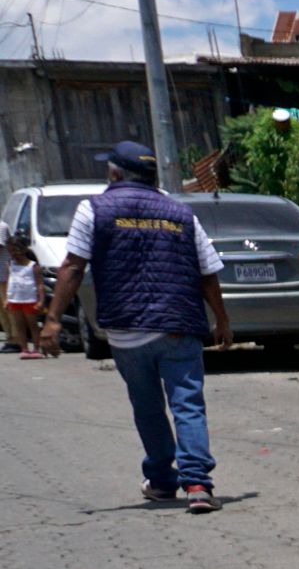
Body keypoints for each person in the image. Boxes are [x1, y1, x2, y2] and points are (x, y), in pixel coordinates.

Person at [43, 140, 232, 511]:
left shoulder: (93, 209)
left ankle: (162, 483)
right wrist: (222, 320)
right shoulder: (181, 213)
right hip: (178, 325)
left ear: (115, 173)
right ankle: (197, 486)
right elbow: (207, 272)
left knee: (147, 408)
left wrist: (52, 319)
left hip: (127, 331)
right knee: (188, 405)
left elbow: (73, 267)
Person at [6, 235, 41, 358]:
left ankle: (36, 349)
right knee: (19, 325)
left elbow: (40, 285)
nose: (12, 254)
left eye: (14, 251)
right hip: (14, 300)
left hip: (29, 300)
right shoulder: (10, 264)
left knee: (32, 325)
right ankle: (24, 348)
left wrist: (41, 300)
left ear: (22, 250)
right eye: (10, 251)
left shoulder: (33, 266)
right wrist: (7, 299)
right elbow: (11, 281)